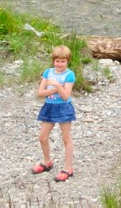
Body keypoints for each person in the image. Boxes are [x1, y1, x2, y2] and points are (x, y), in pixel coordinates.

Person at [31, 45, 77, 182]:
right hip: (49, 107)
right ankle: (47, 161)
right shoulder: (48, 72)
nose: (60, 64)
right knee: (42, 137)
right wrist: (55, 89)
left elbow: (65, 96)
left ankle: (68, 168)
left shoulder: (69, 75)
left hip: (64, 108)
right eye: (57, 61)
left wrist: (56, 86)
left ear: (67, 61)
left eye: (63, 61)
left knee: (66, 138)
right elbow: (40, 93)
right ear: (53, 61)